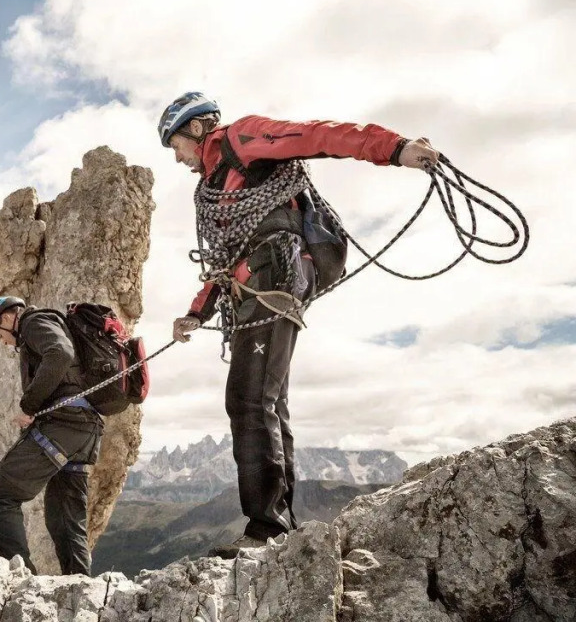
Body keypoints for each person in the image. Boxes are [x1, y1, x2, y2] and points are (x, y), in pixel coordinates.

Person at [160, 92, 439, 557]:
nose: (177, 158)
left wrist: (395, 148)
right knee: (267, 402)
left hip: (274, 278)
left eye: (176, 146)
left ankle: (266, 530)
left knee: (248, 400)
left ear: (194, 128)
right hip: (257, 284)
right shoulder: (216, 179)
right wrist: (197, 312)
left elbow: (316, 135)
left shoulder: (242, 139)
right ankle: (277, 526)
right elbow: (227, 257)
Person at [0, 296, 103, 575]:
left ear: (7, 318)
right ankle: (79, 586)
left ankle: (18, 578)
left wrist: (29, 406)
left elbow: (60, 353)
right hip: (86, 432)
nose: (3, 342)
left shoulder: (33, 322)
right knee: (65, 519)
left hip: (63, 426)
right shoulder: (53, 324)